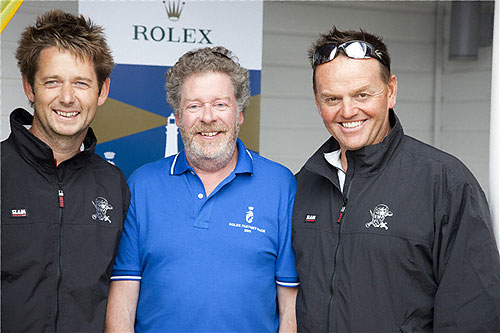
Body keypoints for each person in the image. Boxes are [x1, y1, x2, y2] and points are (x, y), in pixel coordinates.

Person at [292, 26, 500, 332]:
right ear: (316, 101)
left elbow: (473, 313)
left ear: (390, 91)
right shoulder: (303, 185)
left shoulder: (445, 184)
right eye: (332, 98)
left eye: (362, 94)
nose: (348, 111)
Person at [105, 46, 299, 332]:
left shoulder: (280, 185)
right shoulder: (142, 184)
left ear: (240, 113)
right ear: (178, 115)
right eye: (194, 105)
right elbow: (123, 298)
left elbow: (290, 307)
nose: (208, 117)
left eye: (220, 104)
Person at [1, 9, 130, 332]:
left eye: (82, 83)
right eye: (53, 82)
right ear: (30, 88)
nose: (68, 98)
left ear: (102, 91)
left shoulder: (114, 184)